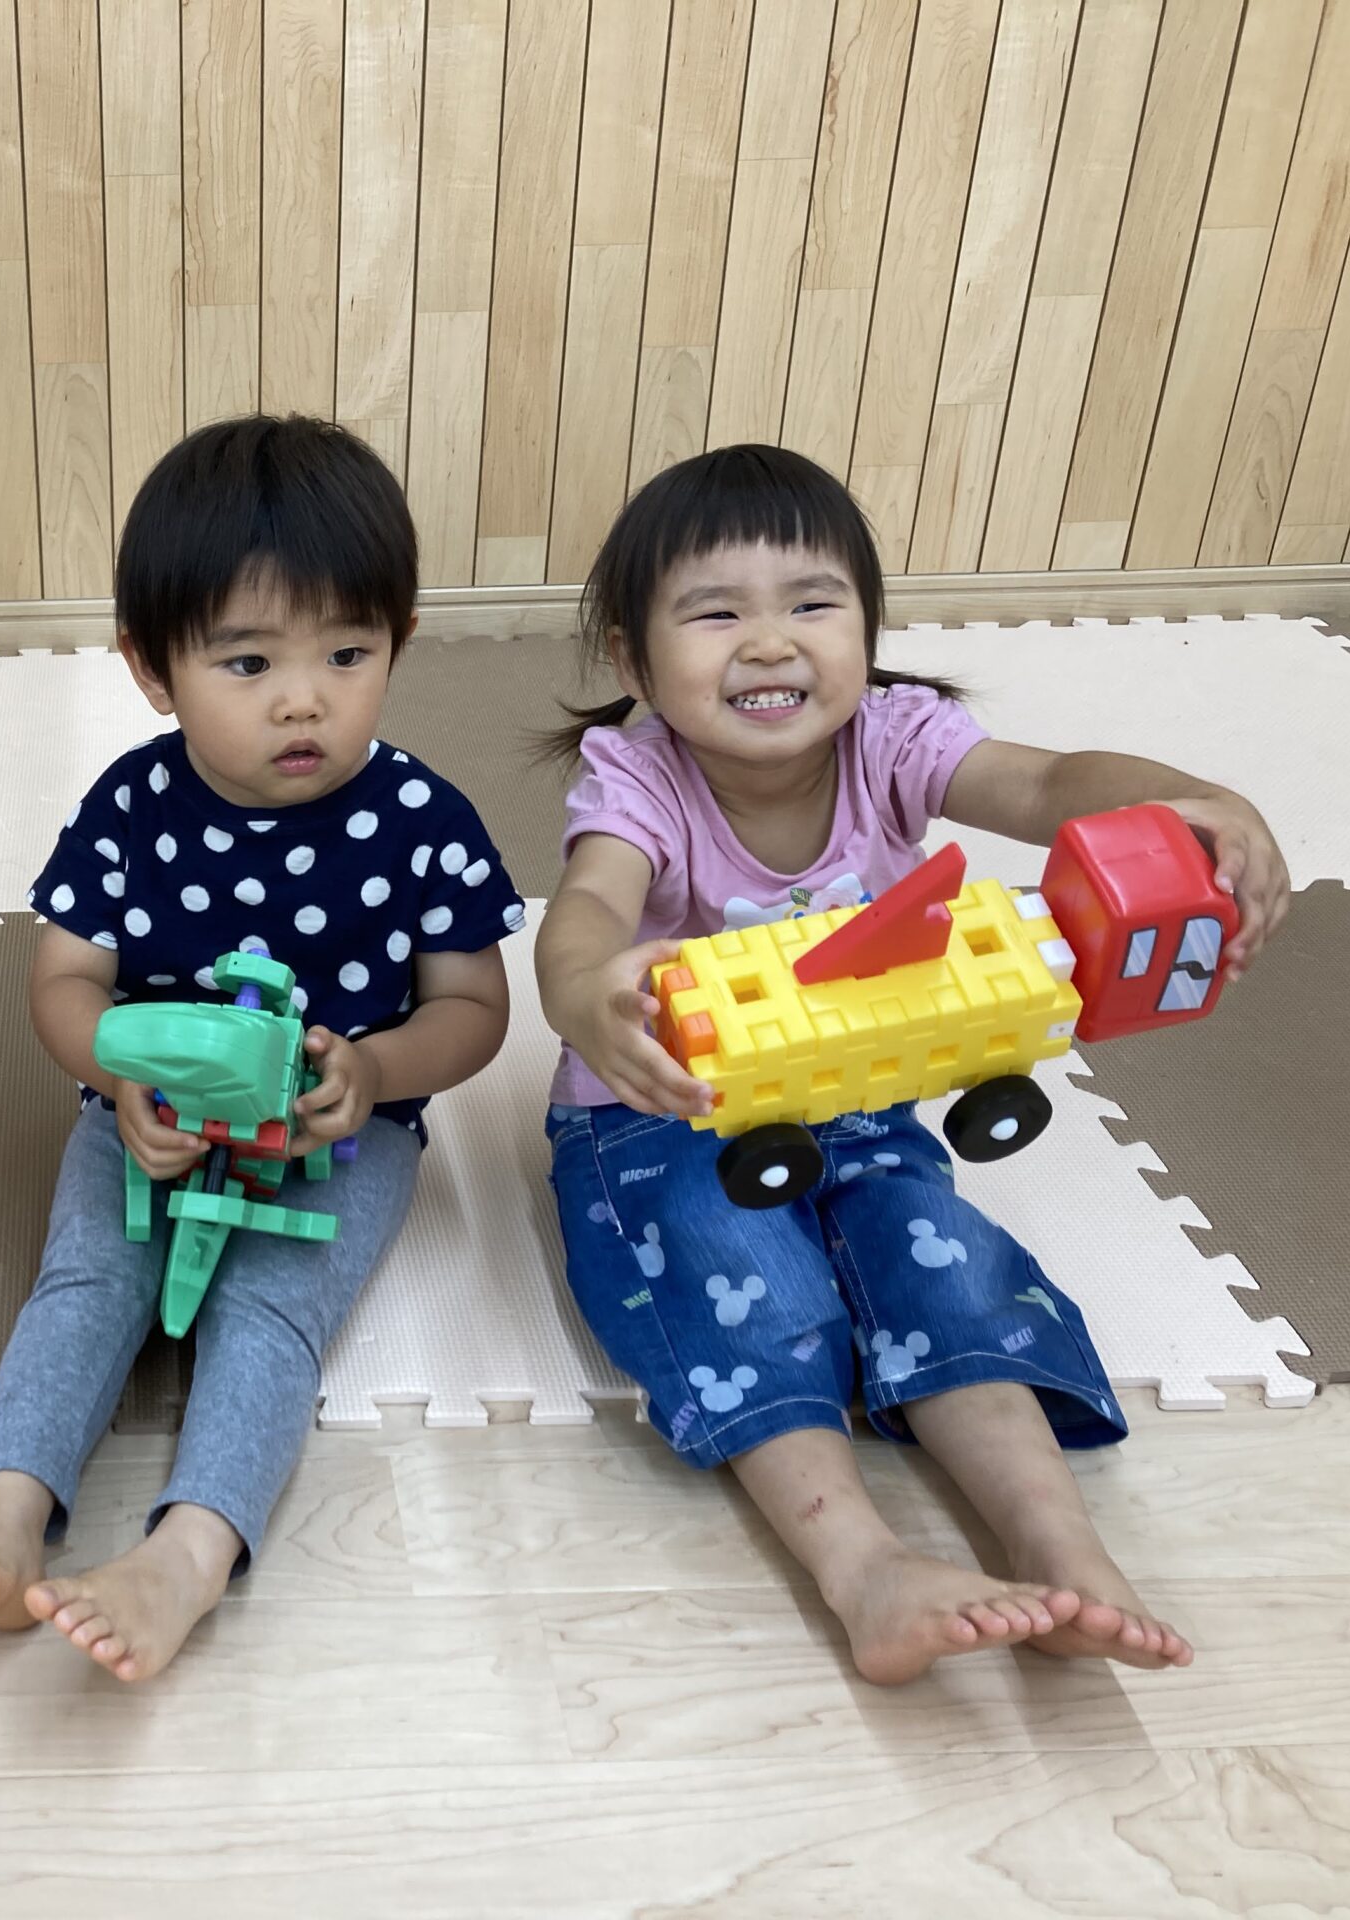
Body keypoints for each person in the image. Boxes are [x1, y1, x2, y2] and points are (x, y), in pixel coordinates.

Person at [535, 443, 1291, 1684]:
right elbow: (586, 909)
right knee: (750, 1290)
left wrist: (1192, 796)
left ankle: (1063, 1552)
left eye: (813, 604)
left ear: (869, 630)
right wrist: (582, 989)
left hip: (852, 1104)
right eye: (715, 614)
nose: (769, 644)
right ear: (633, 661)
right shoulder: (640, 776)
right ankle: (865, 1570)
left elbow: (1048, 783)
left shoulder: (894, 739)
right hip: (664, 1113)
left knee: (948, 1270)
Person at [0, 415, 521, 1680]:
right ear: (152, 668)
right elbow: (66, 980)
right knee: (87, 1283)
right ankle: (3, 1514)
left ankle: (187, 1554)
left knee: (268, 1313)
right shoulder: (131, 809)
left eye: (347, 653)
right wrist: (115, 1079)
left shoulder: (421, 818)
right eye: (246, 662)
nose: (303, 698)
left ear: (398, 642)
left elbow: (473, 1008)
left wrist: (377, 1074)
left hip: (340, 1133)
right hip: (149, 1118)